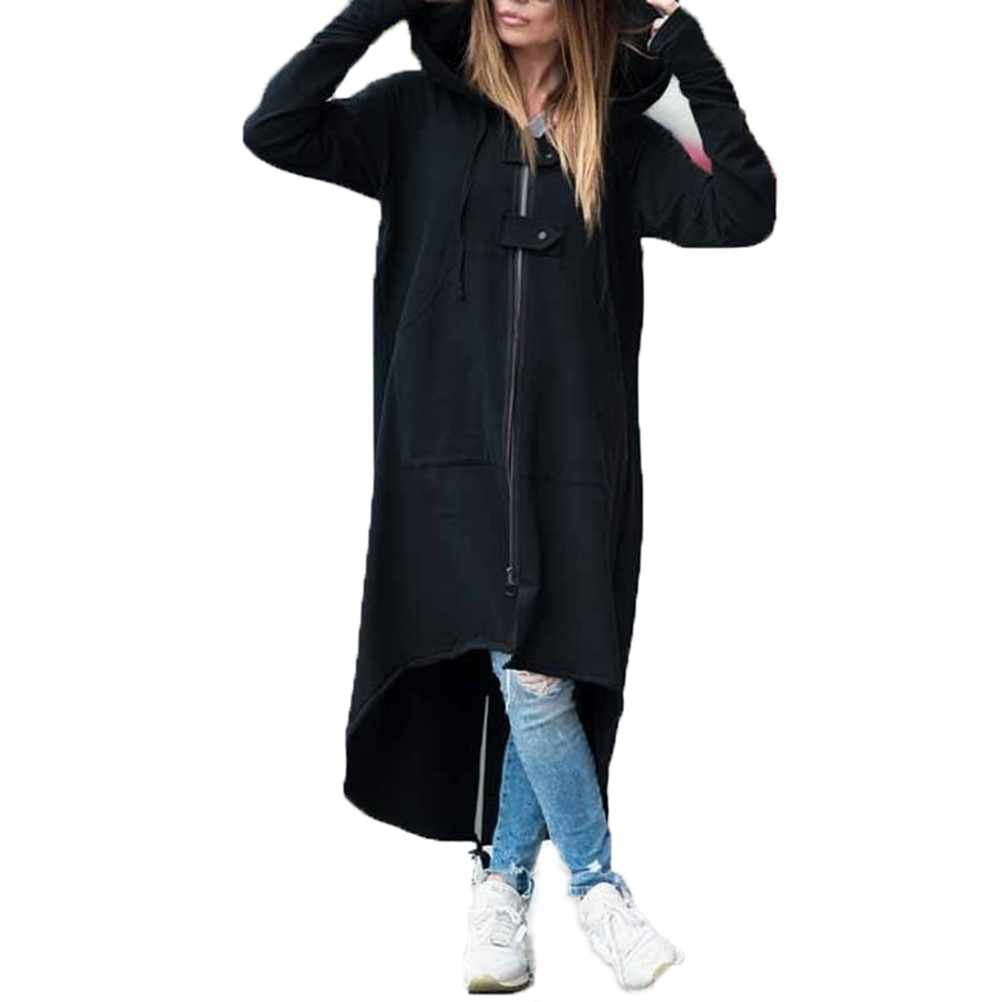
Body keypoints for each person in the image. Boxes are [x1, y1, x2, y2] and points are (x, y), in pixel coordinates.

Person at [243, 0, 775, 992]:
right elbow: (276, 127)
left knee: (545, 671)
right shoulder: (412, 115)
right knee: (529, 677)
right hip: (445, 456)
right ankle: (598, 887)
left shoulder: (618, 140)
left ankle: (499, 889)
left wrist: (686, 47)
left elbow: (745, 211)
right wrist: (375, 10)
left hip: (576, 459)